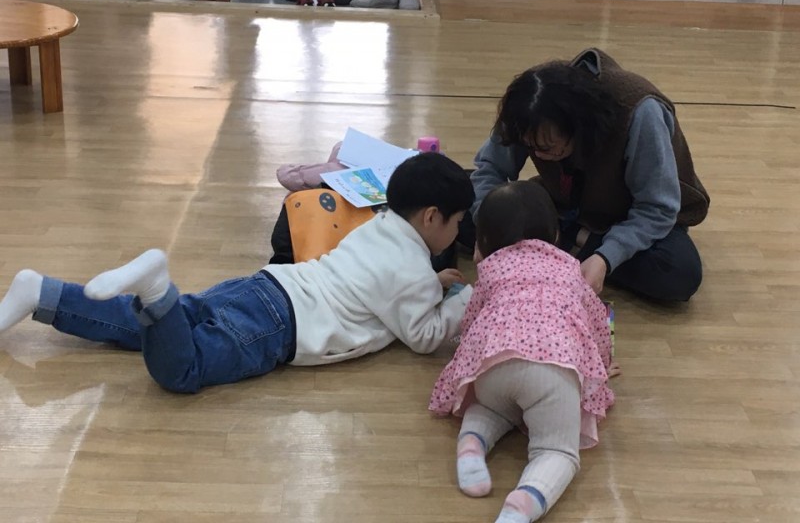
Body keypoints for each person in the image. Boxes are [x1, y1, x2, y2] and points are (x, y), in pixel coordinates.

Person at [0, 152, 474, 394]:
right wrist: (464, 300)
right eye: (457, 223)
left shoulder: (379, 225)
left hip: (267, 285)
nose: (457, 233)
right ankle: (156, 288)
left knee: (142, 325)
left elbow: (379, 284)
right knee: (183, 370)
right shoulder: (412, 272)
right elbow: (424, 336)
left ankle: (43, 292)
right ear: (432, 217)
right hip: (280, 327)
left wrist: (430, 284)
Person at [459, 47, 710, 302]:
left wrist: (605, 258)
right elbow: (489, 169)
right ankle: (569, 242)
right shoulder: (526, 105)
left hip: (625, 215)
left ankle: (564, 244)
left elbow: (657, 209)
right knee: (455, 197)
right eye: (530, 147)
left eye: (548, 147)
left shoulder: (640, 113)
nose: (538, 155)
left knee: (679, 272)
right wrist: (487, 226)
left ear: (578, 128)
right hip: (561, 206)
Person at [430, 181, 616, 523]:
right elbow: (596, 323)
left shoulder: (491, 269)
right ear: (555, 234)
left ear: (482, 242)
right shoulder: (569, 268)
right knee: (556, 451)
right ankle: (524, 501)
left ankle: (472, 445)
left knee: (490, 406)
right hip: (554, 368)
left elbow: (472, 321)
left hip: (494, 364)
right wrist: (602, 366)